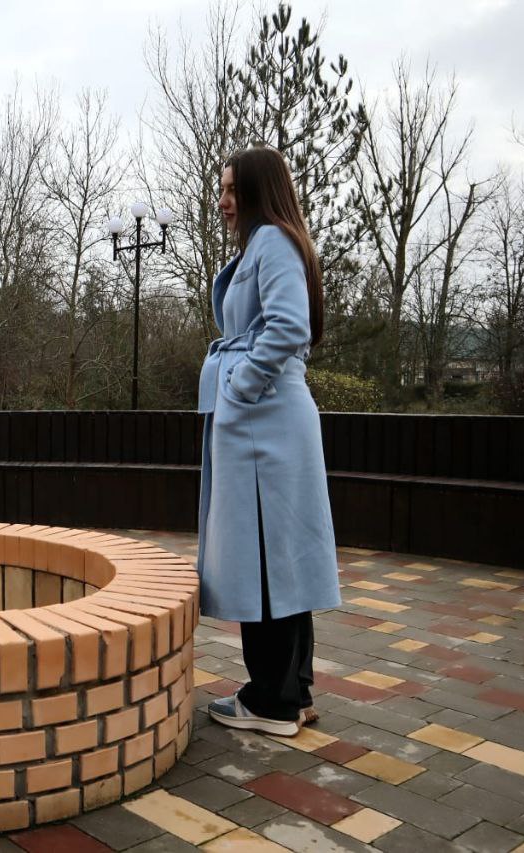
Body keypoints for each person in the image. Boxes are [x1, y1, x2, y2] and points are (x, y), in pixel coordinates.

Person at [197, 147, 341, 737]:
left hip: (263, 425)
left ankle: (270, 701)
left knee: (259, 560)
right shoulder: (270, 245)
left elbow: (288, 325)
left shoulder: (273, 243)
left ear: (258, 190)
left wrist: (240, 387)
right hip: (268, 424)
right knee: (280, 559)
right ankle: (292, 692)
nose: (224, 201)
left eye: (232, 189)